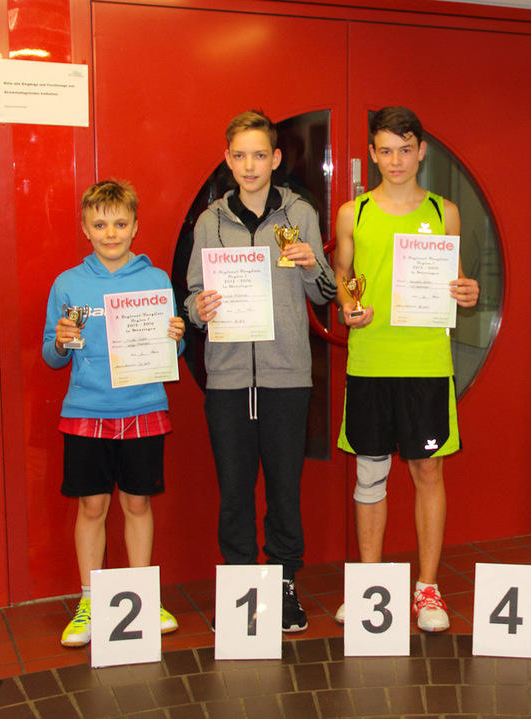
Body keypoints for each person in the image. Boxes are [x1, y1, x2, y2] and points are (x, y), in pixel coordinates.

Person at [185, 110, 336, 632]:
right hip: (228, 379)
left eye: (259, 155)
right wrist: (197, 309)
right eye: (239, 155)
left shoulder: (301, 213)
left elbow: (325, 292)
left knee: (284, 490)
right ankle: (240, 588)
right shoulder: (209, 222)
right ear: (227, 160)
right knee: (234, 490)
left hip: (286, 376)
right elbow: (192, 297)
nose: (249, 165)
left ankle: (285, 583)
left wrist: (310, 264)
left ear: (275, 158)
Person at [333, 106, 479, 632]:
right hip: (371, 359)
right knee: (370, 471)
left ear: (421, 151)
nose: (396, 160)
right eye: (385, 150)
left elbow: (455, 282)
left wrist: (467, 292)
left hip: (425, 362)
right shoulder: (353, 213)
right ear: (372, 154)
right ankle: (370, 586)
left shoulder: (445, 212)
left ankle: (427, 589)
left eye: (405, 149)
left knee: (428, 471)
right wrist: (350, 306)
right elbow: (344, 275)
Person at [42, 179, 184, 647]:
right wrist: (61, 341)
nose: (110, 234)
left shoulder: (156, 280)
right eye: (100, 225)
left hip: (143, 406)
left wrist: (176, 337)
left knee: (138, 503)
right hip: (86, 410)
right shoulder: (68, 283)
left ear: (135, 227)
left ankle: (140, 598)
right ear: (85, 228)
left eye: (120, 224)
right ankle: (89, 602)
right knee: (92, 506)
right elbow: (51, 354)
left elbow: (173, 351)